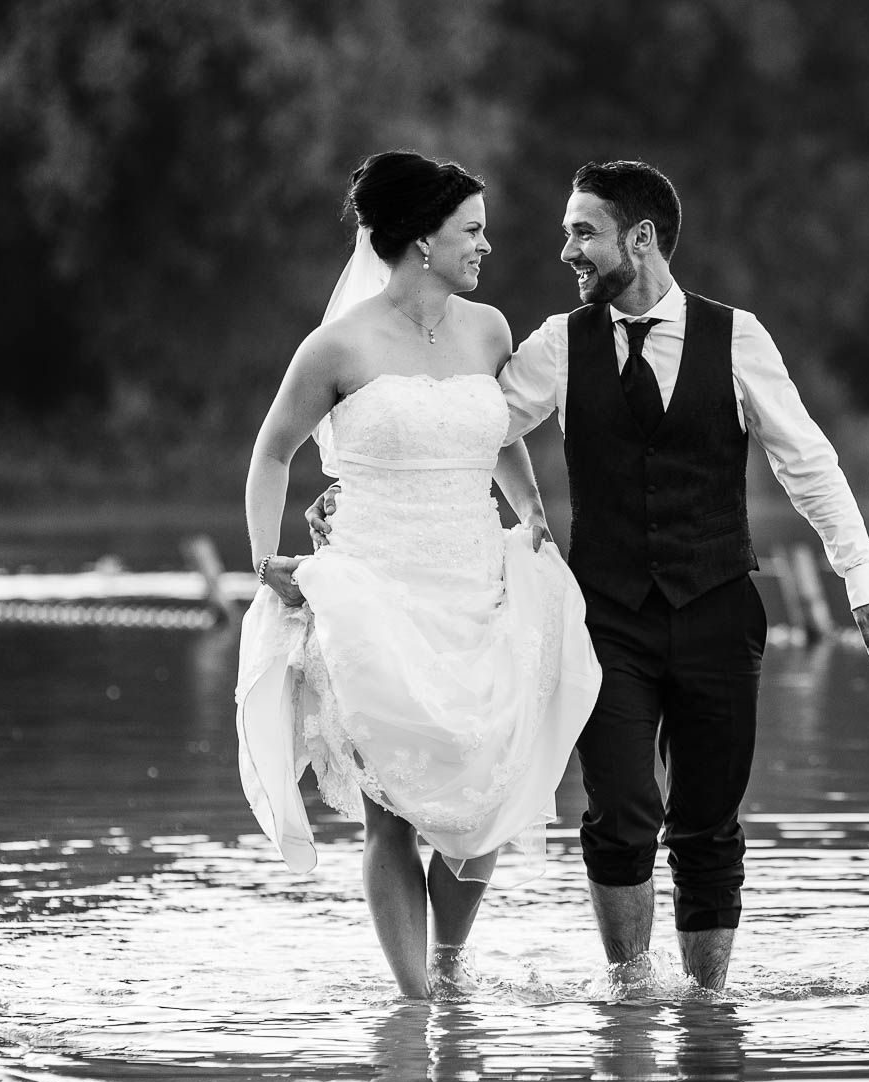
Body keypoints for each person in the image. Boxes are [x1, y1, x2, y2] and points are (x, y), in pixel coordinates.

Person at [497, 160, 869, 991]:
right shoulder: (557, 344)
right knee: (619, 813)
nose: (566, 249)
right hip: (604, 616)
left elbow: (807, 463)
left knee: (709, 824)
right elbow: (469, 431)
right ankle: (632, 997)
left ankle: (708, 1013)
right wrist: (361, 488)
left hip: (718, 610)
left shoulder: (736, 337)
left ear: (639, 239)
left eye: (583, 231)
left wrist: (862, 578)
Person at [236, 150, 601, 999]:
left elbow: (500, 432)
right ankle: (414, 1006)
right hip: (375, 589)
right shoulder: (338, 345)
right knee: (392, 810)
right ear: (420, 240)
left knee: (489, 801)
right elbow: (271, 453)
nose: (486, 245)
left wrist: (534, 513)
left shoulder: (489, 329)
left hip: (477, 584)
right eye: (471, 230)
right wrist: (267, 563)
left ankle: (447, 964)